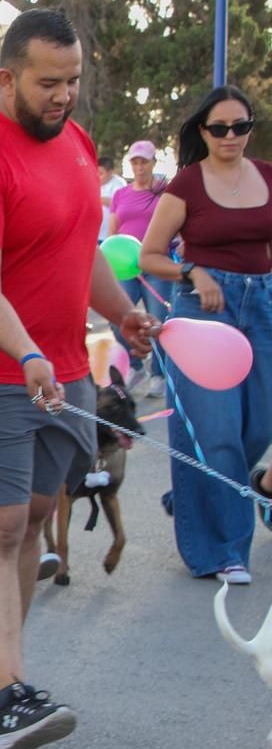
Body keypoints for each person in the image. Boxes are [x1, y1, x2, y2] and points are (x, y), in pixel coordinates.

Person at [0, 10, 156, 749]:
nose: (65, 96)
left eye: (74, 80)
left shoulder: (76, 143)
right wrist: (28, 356)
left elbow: (80, 245)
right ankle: (14, 695)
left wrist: (121, 314)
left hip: (60, 369)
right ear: (6, 77)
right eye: (48, 83)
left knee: (33, 514)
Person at [139, 84, 272, 586]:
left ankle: (241, 486)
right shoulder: (187, 186)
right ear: (203, 131)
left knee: (259, 424)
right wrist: (192, 272)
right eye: (220, 128)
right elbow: (151, 255)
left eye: (241, 126)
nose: (231, 136)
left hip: (263, 305)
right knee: (215, 434)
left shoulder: (267, 177)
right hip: (204, 310)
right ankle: (225, 551)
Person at [108, 139, 170, 396]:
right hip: (126, 267)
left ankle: (158, 374)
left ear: (153, 163)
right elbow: (113, 231)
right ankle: (135, 366)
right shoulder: (121, 193)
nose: (139, 166)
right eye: (135, 161)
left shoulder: (164, 191)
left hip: (156, 263)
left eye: (144, 161)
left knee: (158, 321)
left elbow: (177, 218)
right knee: (117, 317)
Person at [97, 156, 127, 240]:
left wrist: (95, 199)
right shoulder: (94, 183)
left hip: (108, 234)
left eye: (100, 173)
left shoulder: (119, 184)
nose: (97, 176)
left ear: (110, 172)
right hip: (95, 232)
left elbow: (118, 203)